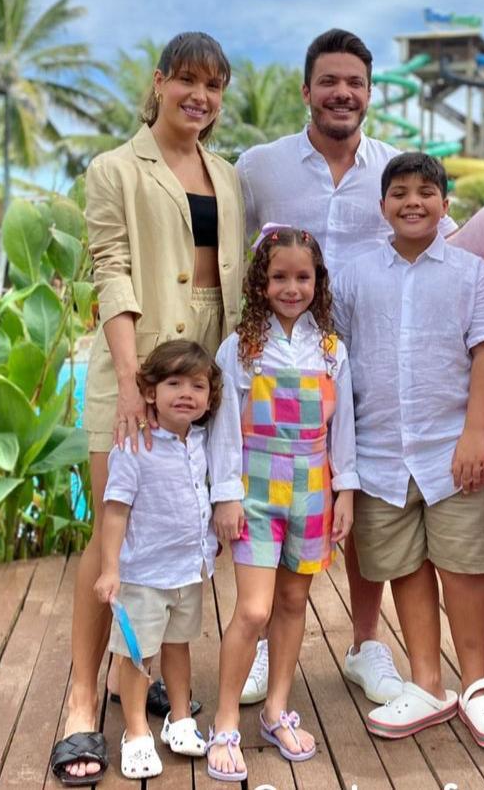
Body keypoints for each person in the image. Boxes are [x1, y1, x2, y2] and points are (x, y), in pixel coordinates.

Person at [235, 28, 455, 706]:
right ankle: (264, 643)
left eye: (355, 83)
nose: (342, 93)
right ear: (306, 91)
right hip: (276, 371)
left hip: (371, 368)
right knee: (265, 503)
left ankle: (364, 646)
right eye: (329, 81)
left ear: (369, 92)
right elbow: (223, 256)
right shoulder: (258, 166)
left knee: (363, 508)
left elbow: (447, 252)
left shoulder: (396, 173)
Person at [49, 32, 245, 786]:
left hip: (205, 366)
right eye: (187, 81)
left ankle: (163, 676)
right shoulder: (113, 168)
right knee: (113, 535)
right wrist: (131, 379)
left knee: (181, 524)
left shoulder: (226, 175)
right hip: (134, 360)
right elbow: (113, 269)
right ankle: (79, 699)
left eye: (214, 86)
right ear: (159, 83)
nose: (201, 96)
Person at [333, 153, 484, 748]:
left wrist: (475, 433)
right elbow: (334, 356)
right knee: (405, 567)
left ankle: (478, 683)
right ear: (382, 204)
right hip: (379, 453)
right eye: (399, 193)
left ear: (445, 202)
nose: (413, 202)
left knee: (463, 564)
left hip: (453, 452)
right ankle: (426, 682)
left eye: (425, 192)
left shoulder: (473, 274)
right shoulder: (354, 275)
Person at [205, 226, 357, 780]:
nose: (291, 288)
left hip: (314, 488)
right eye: (279, 277)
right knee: (253, 610)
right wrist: (225, 495)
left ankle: (274, 709)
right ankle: (225, 720)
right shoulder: (241, 348)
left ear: (317, 282)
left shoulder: (331, 349)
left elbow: (345, 429)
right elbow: (223, 430)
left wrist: (346, 492)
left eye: (303, 277)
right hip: (257, 490)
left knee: (294, 605)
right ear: (260, 282)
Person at [93, 341, 223, 778]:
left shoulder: (202, 442)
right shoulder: (135, 446)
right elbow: (115, 511)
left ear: (209, 396)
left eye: (197, 385)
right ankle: (135, 733)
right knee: (135, 656)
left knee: (179, 646)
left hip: (188, 571)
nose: (186, 392)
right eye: (174, 383)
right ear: (150, 392)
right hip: (144, 574)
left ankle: (180, 718)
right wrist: (110, 568)